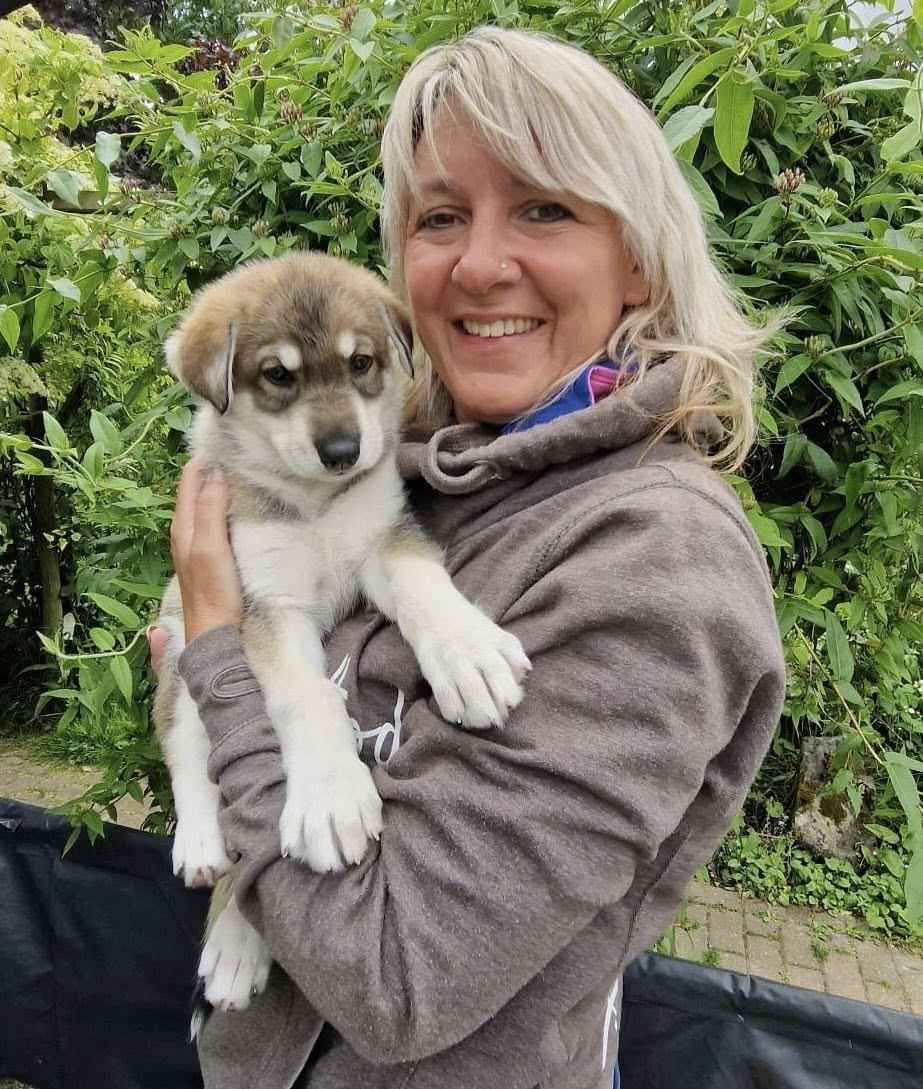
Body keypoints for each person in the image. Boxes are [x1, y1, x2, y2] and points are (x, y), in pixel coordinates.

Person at [150, 25, 786, 1089]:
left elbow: (395, 979)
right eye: (440, 216)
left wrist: (215, 650)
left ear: (636, 257)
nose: (481, 263)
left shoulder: (656, 566)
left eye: (543, 208)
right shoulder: (447, 470)